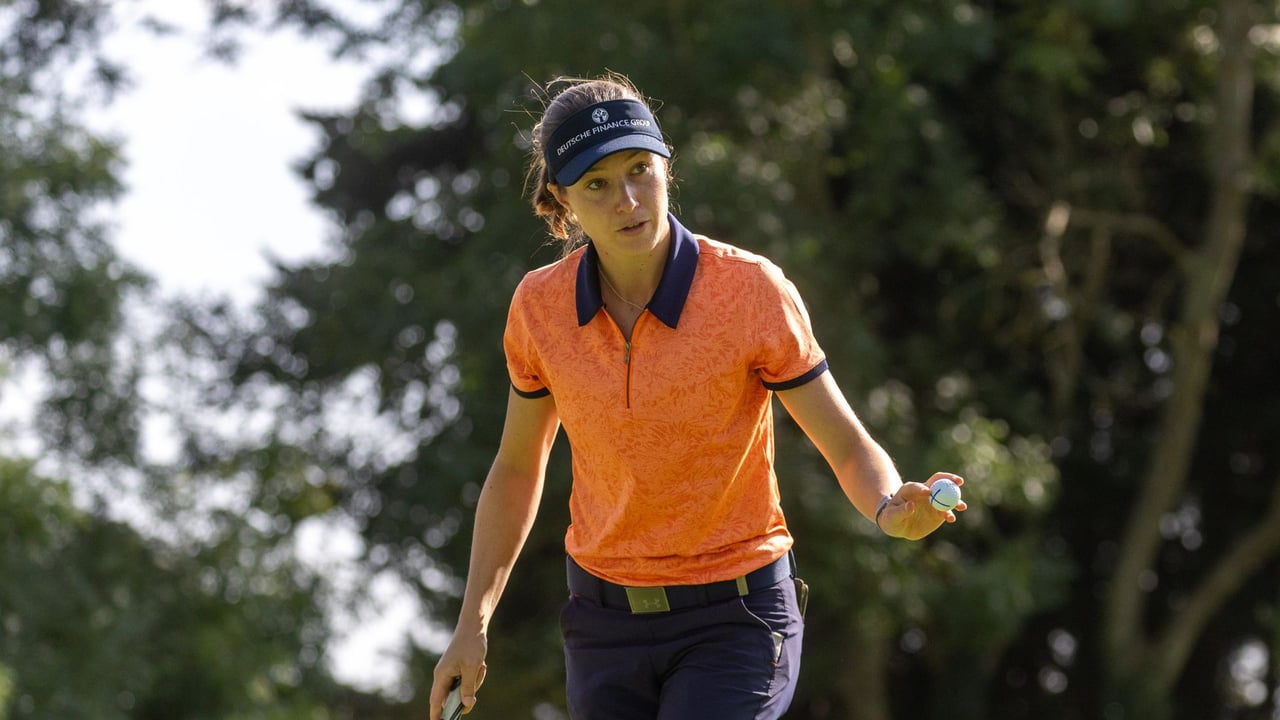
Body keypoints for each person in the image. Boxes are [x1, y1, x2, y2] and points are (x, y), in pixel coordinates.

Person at [428, 72, 967, 720]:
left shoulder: (750, 291)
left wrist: (887, 507)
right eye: (597, 184)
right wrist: (472, 624)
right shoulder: (538, 309)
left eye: (639, 170)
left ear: (666, 168)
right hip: (602, 625)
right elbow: (517, 469)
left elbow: (848, 445)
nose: (628, 199)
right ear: (562, 200)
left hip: (736, 619)